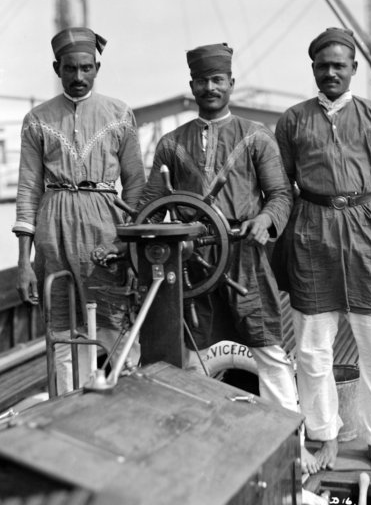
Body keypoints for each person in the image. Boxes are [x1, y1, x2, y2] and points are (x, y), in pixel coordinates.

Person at [128, 42, 318, 473]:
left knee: (269, 351)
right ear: (191, 85)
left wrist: (266, 221)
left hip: (246, 257)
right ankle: (195, 442)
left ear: (231, 83)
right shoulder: (171, 144)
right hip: (193, 263)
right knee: (191, 354)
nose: (210, 87)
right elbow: (154, 205)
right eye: (202, 80)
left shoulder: (255, 136)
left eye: (218, 80)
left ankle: (291, 446)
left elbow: (280, 195)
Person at [274, 27, 371, 477]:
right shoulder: (293, 120)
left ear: (354, 68)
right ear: (313, 69)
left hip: (366, 231)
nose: (331, 72)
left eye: (340, 65)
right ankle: (327, 435)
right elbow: (281, 184)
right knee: (313, 347)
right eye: (323, 65)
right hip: (312, 232)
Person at [12, 26, 146, 395]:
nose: (78, 77)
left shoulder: (120, 114)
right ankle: (67, 410)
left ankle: (127, 411)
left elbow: (136, 183)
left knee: (114, 326)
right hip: (52, 234)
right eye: (70, 69)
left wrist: (126, 240)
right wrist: (24, 262)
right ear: (57, 68)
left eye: (86, 68)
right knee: (62, 332)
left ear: (97, 67)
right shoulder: (37, 120)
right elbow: (27, 190)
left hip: (106, 231)